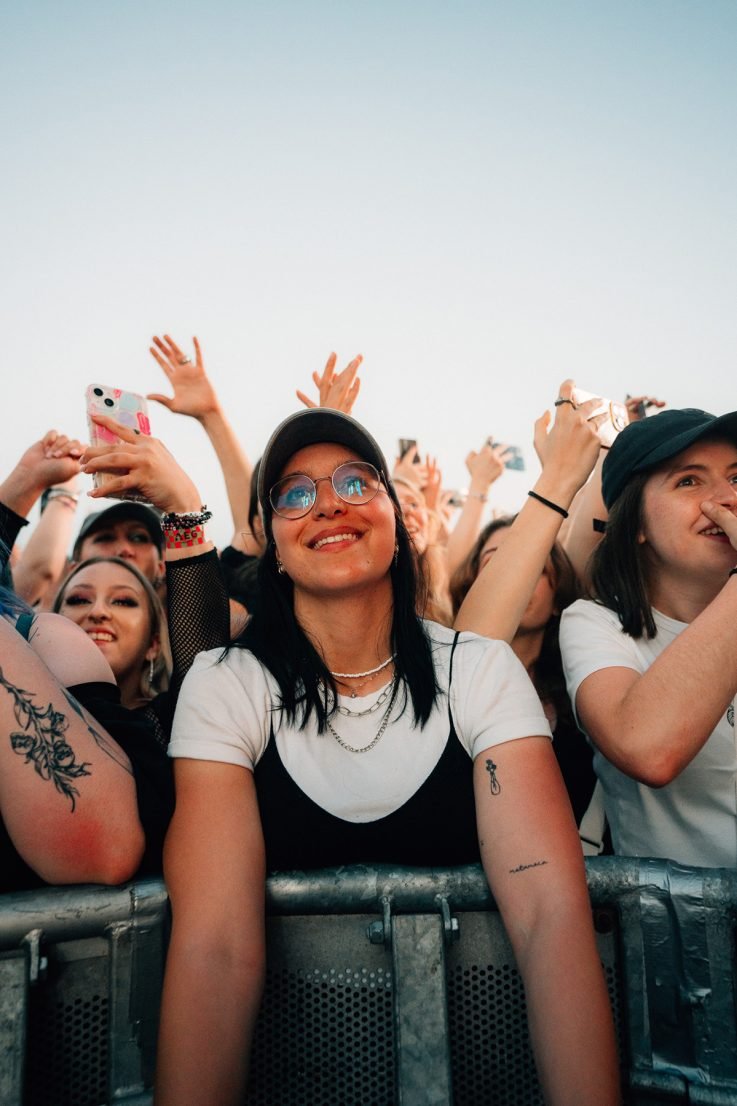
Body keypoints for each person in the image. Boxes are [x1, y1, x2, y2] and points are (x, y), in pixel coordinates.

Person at [156, 407, 619, 1106]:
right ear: (271, 544)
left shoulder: (479, 671)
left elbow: (549, 918)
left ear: (397, 522)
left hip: (483, 1081)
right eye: (294, 493)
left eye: (355, 481)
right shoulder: (225, 685)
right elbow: (213, 948)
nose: (328, 504)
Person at [560, 405, 737, 867]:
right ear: (636, 524)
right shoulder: (595, 623)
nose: (727, 498)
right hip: (678, 913)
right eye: (689, 481)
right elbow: (648, 750)